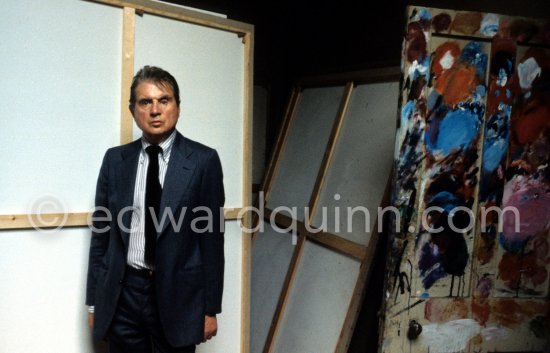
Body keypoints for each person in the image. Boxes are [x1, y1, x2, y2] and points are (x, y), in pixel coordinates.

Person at [86, 65, 225, 353]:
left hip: (178, 295)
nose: (155, 110)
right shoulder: (115, 161)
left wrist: (211, 308)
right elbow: (101, 237)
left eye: (164, 100)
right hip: (124, 292)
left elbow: (212, 241)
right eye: (145, 102)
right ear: (133, 110)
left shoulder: (203, 161)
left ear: (177, 107)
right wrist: (94, 301)